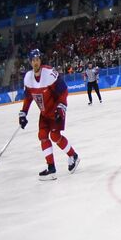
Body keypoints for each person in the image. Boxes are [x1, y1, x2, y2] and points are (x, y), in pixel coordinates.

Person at [18, 49, 79, 180]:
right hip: (44, 112)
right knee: (42, 136)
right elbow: (28, 98)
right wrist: (23, 113)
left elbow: (64, 91)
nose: (35, 62)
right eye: (33, 60)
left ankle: (73, 156)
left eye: (37, 59)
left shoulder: (49, 73)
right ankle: (51, 168)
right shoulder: (28, 78)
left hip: (56, 110)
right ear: (30, 62)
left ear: (40, 60)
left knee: (55, 136)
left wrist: (61, 107)